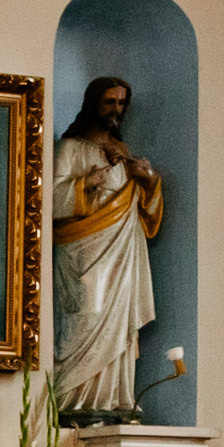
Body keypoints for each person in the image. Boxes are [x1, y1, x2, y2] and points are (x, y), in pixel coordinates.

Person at [53, 77, 164, 418]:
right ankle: (73, 399)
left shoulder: (124, 152)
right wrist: (85, 183)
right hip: (83, 251)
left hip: (123, 252)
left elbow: (143, 207)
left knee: (118, 320)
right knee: (88, 313)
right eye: (109, 102)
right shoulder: (70, 148)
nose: (116, 109)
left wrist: (147, 179)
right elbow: (50, 200)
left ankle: (115, 398)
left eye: (121, 103)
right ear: (93, 104)